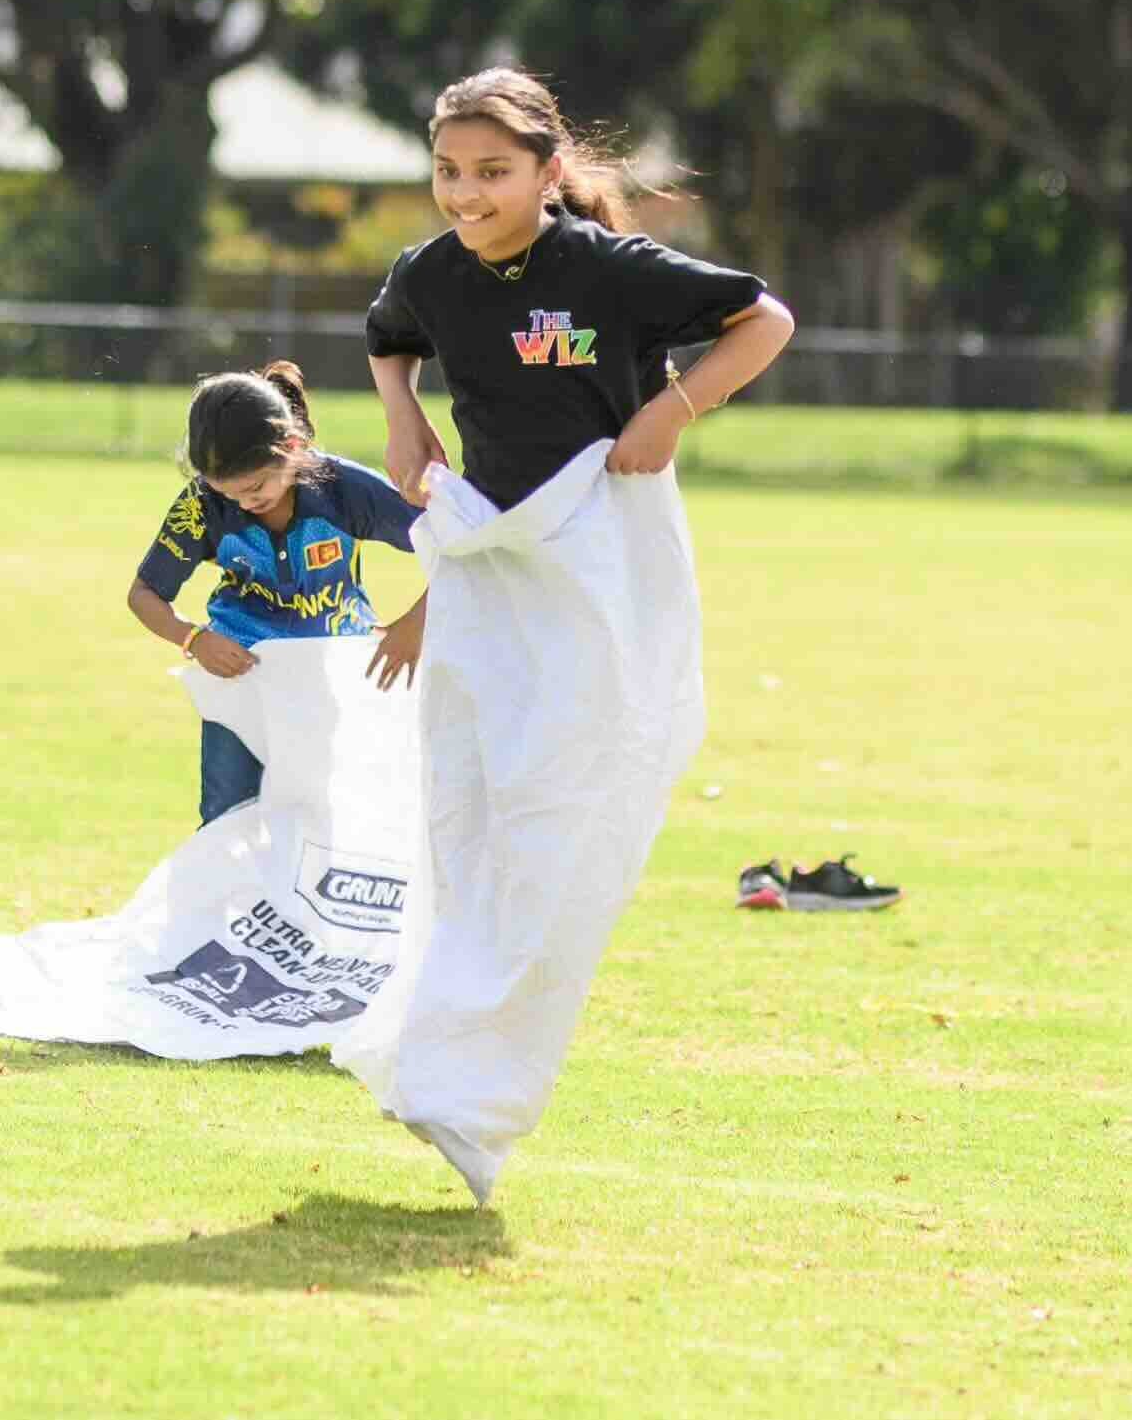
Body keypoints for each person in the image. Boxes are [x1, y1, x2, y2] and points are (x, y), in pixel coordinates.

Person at [357, 66, 796, 1202]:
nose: (466, 193)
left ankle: (481, 1088)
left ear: (550, 172)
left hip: (600, 562)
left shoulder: (609, 269)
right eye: (448, 172)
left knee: (564, 822)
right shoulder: (433, 275)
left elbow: (765, 321)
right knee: (475, 814)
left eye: (493, 172)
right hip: (493, 568)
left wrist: (671, 408)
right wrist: (403, 419)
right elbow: (388, 332)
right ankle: (446, 1063)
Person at [130, 360, 424, 820]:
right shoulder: (201, 504)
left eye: (256, 487)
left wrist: (412, 627)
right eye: (230, 495)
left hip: (334, 676)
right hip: (238, 680)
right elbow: (145, 592)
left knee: (331, 814)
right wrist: (194, 639)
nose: (245, 503)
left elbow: (457, 553)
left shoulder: (345, 490)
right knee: (228, 815)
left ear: (291, 447)